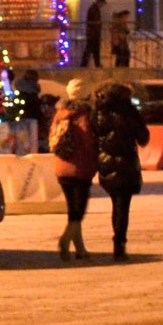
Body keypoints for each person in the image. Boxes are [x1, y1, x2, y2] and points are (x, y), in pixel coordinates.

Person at [93, 82, 150, 259]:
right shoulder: (130, 112)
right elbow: (143, 138)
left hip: (105, 162)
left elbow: (93, 135)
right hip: (126, 163)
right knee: (122, 205)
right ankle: (119, 242)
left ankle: (119, 240)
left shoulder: (98, 112)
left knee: (116, 203)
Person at [48, 79, 98, 261]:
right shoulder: (85, 114)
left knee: (73, 210)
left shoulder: (59, 113)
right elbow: (88, 141)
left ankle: (80, 248)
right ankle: (65, 239)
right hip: (80, 167)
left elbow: (52, 137)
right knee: (78, 211)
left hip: (61, 166)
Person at [12, 67, 44, 154]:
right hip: (30, 119)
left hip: (22, 119)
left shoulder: (20, 93)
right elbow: (36, 111)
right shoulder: (32, 95)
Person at [80, 0, 106, 68]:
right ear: (100, 2)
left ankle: (93, 64)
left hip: (93, 33)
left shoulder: (93, 8)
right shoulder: (94, 9)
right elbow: (95, 21)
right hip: (93, 33)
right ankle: (86, 64)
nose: (102, 6)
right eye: (102, 4)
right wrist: (97, 28)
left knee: (93, 49)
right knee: (91, 49)